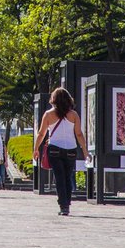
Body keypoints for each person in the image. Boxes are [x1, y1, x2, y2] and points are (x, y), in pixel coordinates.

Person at [34, 87, 89, 216]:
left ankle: (63, 205)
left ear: (53, 99)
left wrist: (36, 149)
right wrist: (85, 151)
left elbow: (41, 133)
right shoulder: (74, 115)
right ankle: (67, 203)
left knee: (59, 178)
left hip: (54, 149)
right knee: (67, 177)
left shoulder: (48, 114)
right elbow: (79, 134)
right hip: (71, 149)